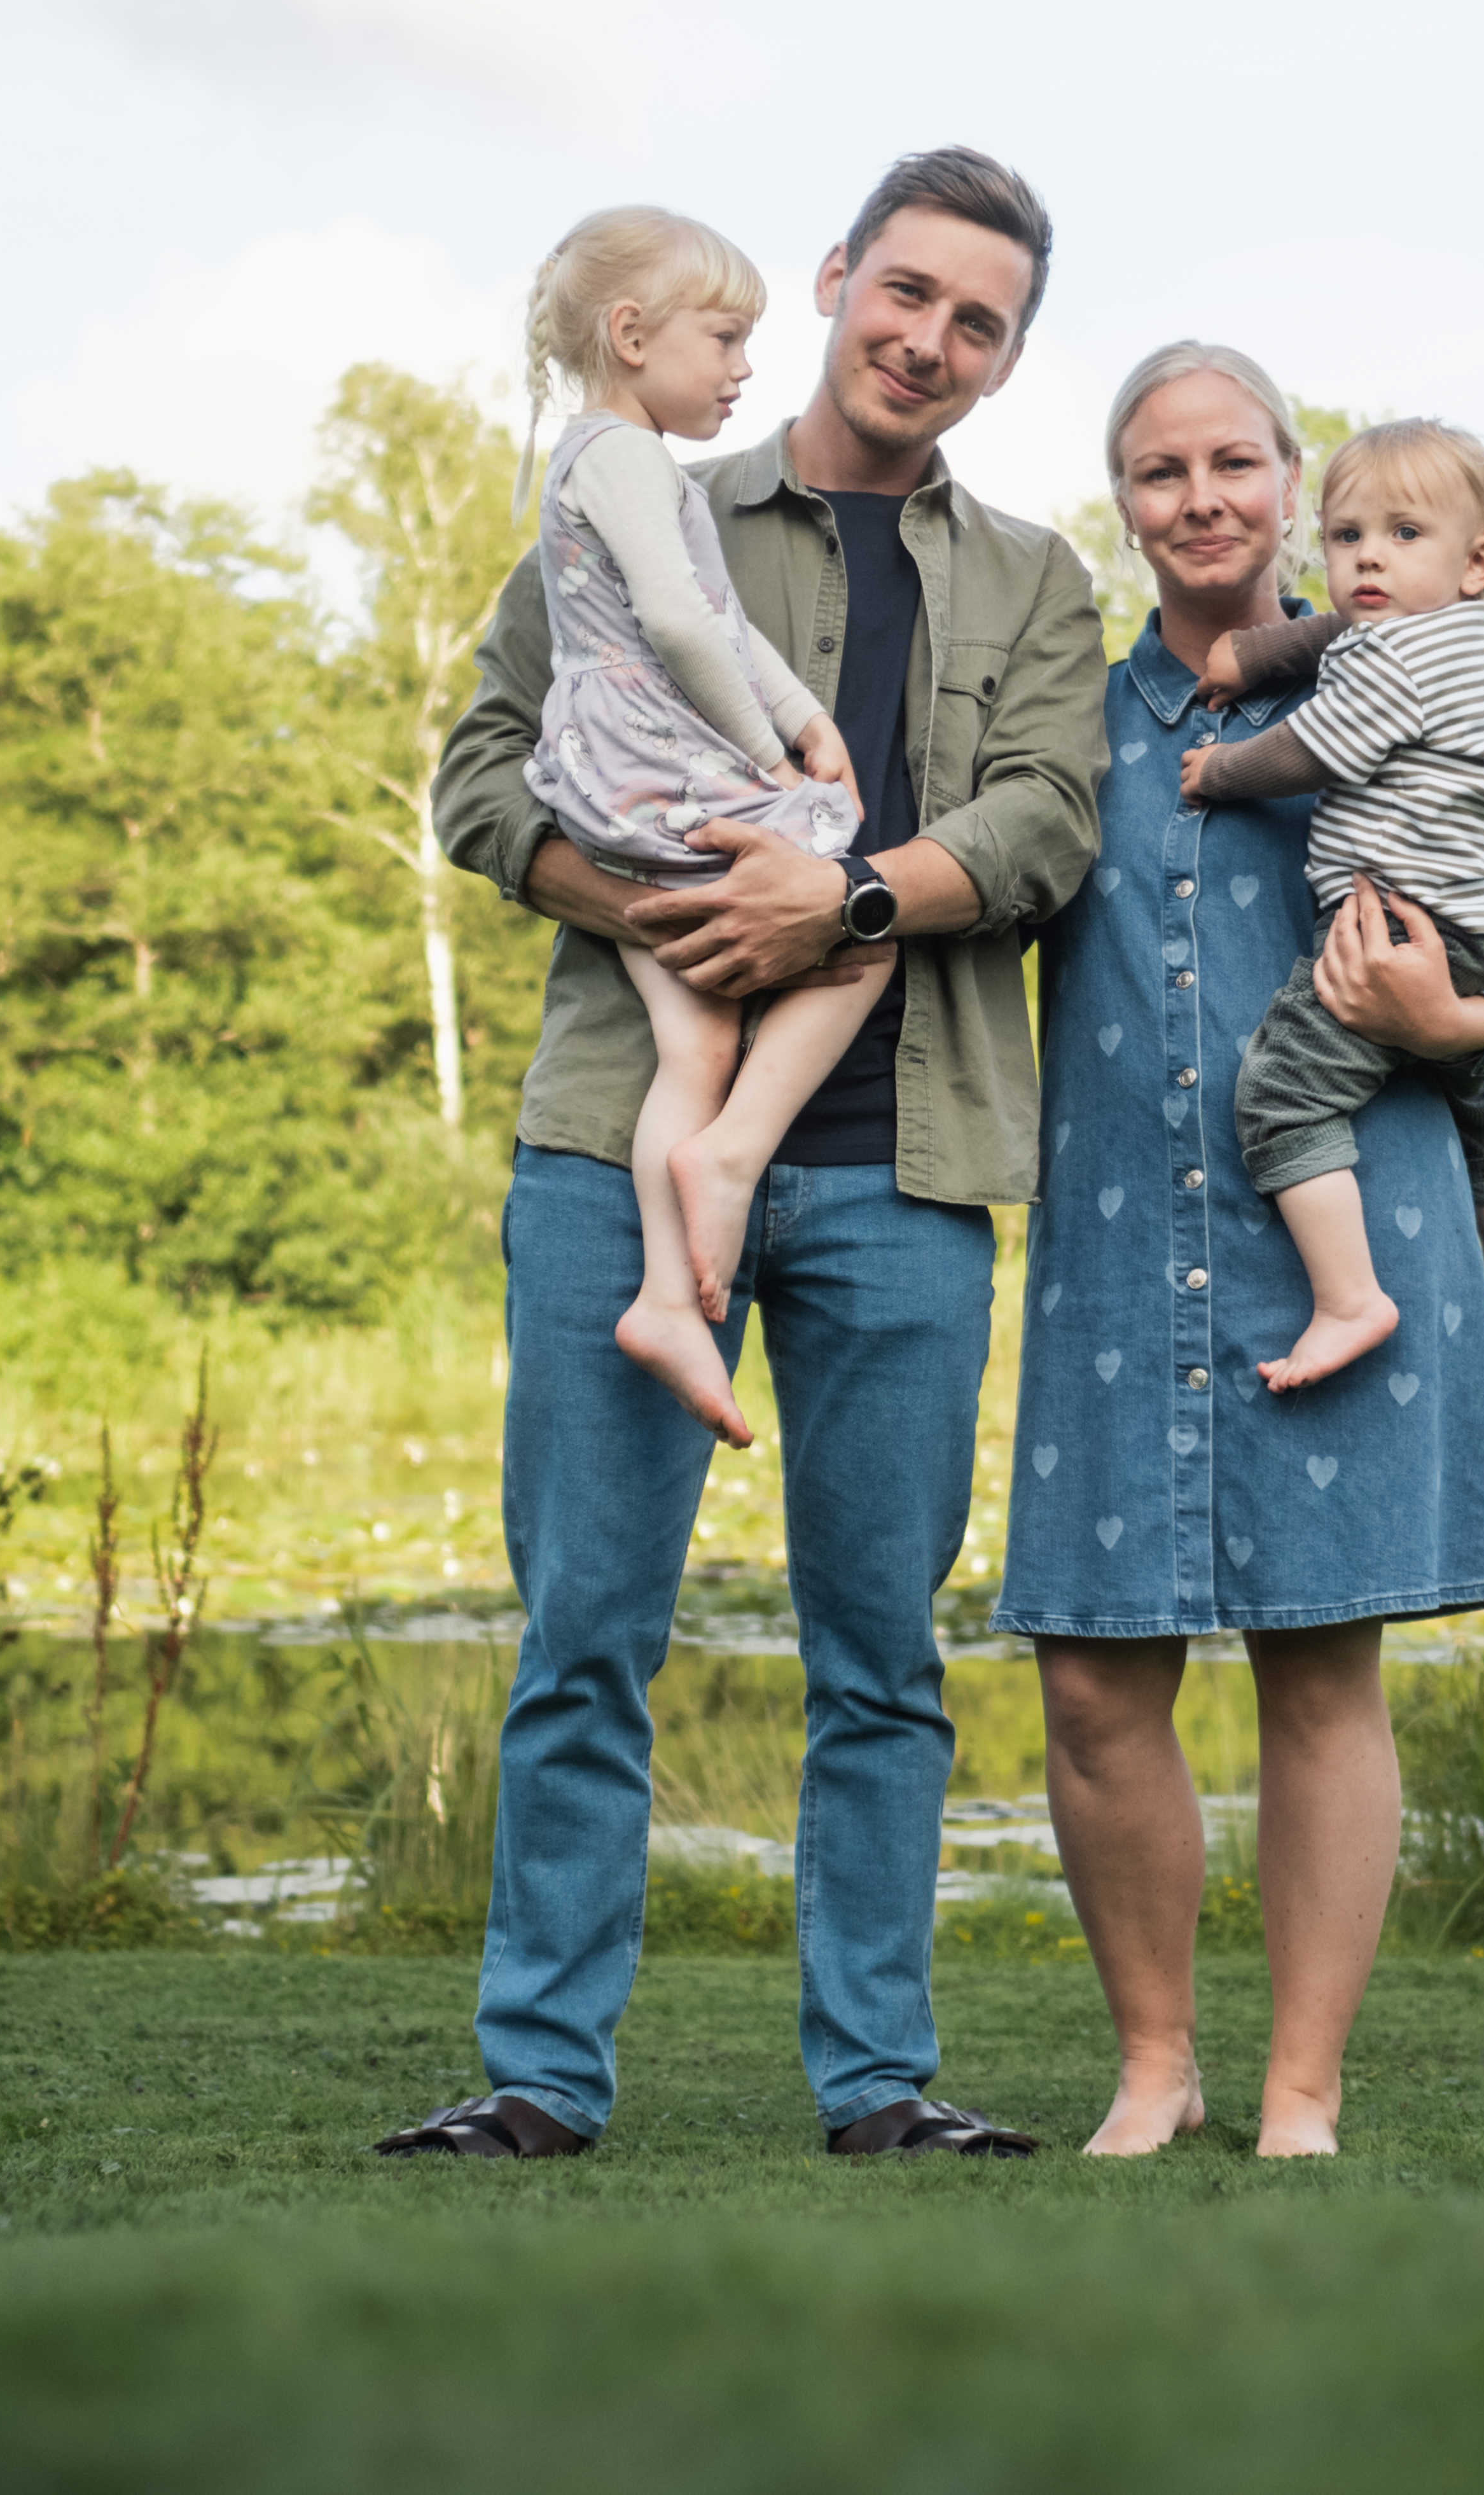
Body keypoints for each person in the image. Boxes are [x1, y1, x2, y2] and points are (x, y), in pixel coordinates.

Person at [387, 150, 1107, 2162]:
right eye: (907, 292)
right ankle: (542, 2072)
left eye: (979, 320)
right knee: (582, 1635)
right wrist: (635, 906)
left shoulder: (1040, 579)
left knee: (881, 1658)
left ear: (1007, 355)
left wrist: (847, 909)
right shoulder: (642, 494)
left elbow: (1051, 821)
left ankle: (876, 2080)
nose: (929, 340)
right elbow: (479, 767)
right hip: (618, 1143)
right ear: (832, 282)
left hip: (913, 1169)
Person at [997, 342, 1484, 2160]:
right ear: (1125, 504)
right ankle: (1154, 2066)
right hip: (1115, 1256)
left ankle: (1302, 2090)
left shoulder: (1416, 690)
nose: (1202, 498)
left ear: (1288, 483)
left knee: (1323, 1670)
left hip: (1353, 1241)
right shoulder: (1063, 730)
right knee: (1097, 1680)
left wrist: (1448, 1016)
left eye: (1237, 463)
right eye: (1161, 470)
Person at [510, 203, 887, 1446]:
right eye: (723, 339)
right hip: (653, 767)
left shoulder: (602, 460)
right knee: (862, 921)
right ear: (630, 335)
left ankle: (671, 1298)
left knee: (697, 1040)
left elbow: (721, 622)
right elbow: (681, 627)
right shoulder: (624, 459)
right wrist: (763, 749)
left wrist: (801, 710)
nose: (742, 370)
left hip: (607, 790)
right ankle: (732, 1161)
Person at [1178, 418, 1484, 1388]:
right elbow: (1325, 634)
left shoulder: (1398, 663)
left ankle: (1351, 1298)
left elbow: (1314, 750)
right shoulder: (1441, 633)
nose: (1367, 559)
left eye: (1403, 535)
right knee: (1458, 1088)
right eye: (1347, 538)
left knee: (1281, 1090)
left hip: (1401, 926)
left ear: (1478, 563)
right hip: (1479, 926)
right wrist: (1252, 657)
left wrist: (1221, 769)